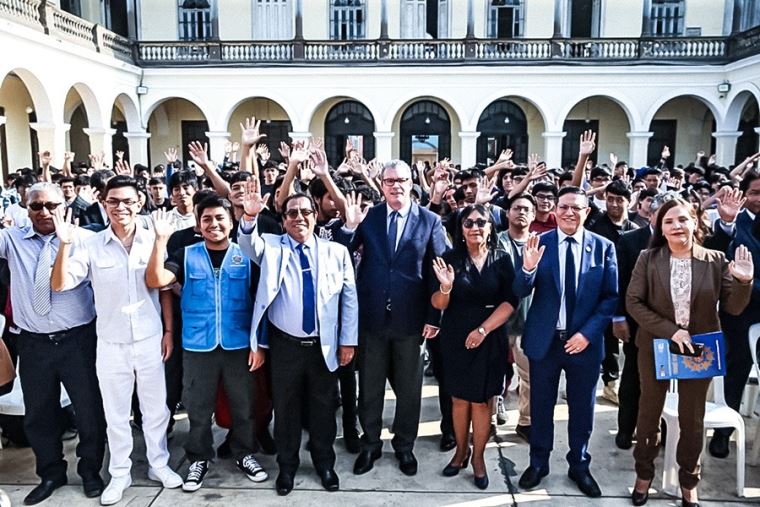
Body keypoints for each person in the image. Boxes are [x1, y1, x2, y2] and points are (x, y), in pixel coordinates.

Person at [50, 175, 183, 505]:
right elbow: (60, 284)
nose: (120, 207)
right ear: (103, 203)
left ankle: (158, 464)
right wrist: (64, 245)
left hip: (150, 339)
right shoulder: (90, 244)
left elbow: (164, 290)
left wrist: (168, 331)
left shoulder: (155, 238)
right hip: (110, 342)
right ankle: (120, 472)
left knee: (155, 409)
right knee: (116, 413)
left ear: (140, 203)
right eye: (113, 201)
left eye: (127, 201)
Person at [626, 197, 753, 507]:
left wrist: (744, 280)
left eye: (682, 219)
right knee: (648, 414)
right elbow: (633, 303)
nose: (676, 226)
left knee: (692, 419)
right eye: (668, 221)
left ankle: (688, 481)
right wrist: (671, 330)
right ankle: (644, 475)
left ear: (695, 222)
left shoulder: (715, 260)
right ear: (660, 228)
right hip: (656, 345)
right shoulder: (648, 258)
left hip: (699, 351)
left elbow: (734, 307)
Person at [238, 174, 359, 496]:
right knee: (286, 409)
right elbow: (248, 244)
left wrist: (348, 340)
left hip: (323, 345)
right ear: (283, 220)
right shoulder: (272, 247)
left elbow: (349, 299)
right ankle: (287, 467)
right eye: (292, 213)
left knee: (323, 408)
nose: (299, 218)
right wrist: (249, 216)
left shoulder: (336, 252)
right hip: (285, 346)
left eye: (305, 212)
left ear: (315, 216)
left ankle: (324, 463)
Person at [145, 197, 268, 491]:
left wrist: (259, 344)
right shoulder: (185, 255)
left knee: (243, 405)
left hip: (239, 346)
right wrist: (160, 241)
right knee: (198, 409)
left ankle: (244, 453)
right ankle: (199, 458)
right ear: (198, 226)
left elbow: (262, 304)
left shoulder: (245, 257)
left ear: (231, 222)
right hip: (198, 346)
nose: (214, 224)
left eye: (220, 218)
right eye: (207, 219)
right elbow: (156, 280)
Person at [0, 183, 106, 506]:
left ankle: (90, 471)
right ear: (25, 208)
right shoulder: (11, 239)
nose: (44, 212)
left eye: (52, 205)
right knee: (39, 414)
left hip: (78, 341)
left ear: (65, 206)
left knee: (88, 411)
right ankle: (50, 473)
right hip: (33, 344)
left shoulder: (86, 239)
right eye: (36, 206)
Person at [346, 160, 448, 477]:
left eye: (402, 180)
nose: (396, 186)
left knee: (409, 390)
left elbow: (439, 271)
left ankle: (404, 446)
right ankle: (370, 444)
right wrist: (349, 226)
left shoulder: (430, 221)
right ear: (382, 184)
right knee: (370, 388)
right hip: (372, 319)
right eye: (389, 181)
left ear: (411, 183)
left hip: (412, 322)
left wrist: (434, 316)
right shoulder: (369, 217)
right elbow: (342, 254)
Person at [516, 186, 618, 498]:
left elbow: (611, 298)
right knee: (541, 407)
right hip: (546, 343)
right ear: (554, 210)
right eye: (563, 207)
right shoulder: (539, 243)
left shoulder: (603, 247)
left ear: (587, 212)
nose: (569, 213)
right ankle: (538, 463)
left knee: (582, 409)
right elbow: (519, 290)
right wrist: (528, 268)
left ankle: (580, 465)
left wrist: (587, 334)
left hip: (584, 344)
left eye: (576, 207)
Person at [431, 204, 517, 490]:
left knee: (481, 401)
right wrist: (445, 287)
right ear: (461, 228)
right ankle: (460, 452)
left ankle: (478, 458)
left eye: (481, 222)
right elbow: (438, 304)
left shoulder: (501, 259)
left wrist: (483, 330)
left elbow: (510, 302)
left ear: (490, 227)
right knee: (458, 400)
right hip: (455, 335)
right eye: (468, 223)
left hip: (489, 335)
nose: (475, 227)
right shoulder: (449, 258)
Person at [711, 173, 760, 458]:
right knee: (736, 373)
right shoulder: (734, 224)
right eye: (755, 192)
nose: (759, 199)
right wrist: (726, 224)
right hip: (740, 313)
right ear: (744, 195)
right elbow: (720, 262)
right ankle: (722, 434)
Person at [589, 179, 638, 406]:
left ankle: (616, 383)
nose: (614, 204)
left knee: (622, 343)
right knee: (600, 341)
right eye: (610, 199)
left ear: (629, 201)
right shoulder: (594, 225)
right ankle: (602, 382)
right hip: (598, 294)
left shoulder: (635, 230)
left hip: (627, 294)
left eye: (619, 200)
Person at [497, 193, 537, 442]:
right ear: (507, 213)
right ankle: (488, 419)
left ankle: (526, 421)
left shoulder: (541, 243)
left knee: (530, 376)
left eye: (526, 209)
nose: (521, 212)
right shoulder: (495, 241)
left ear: (533, 215)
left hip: (528, 321)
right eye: (516, 208)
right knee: (493, 373)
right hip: (497, 320)